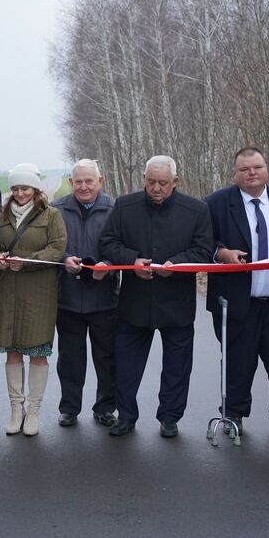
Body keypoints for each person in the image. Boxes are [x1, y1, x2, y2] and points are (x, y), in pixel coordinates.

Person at [98, 155, 214, 438]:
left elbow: (203, 249)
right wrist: (132, 260)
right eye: (151, 182)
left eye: (163, 183)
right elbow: (108, 242)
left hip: (177, 302)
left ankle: (170, 417)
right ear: (144, 180)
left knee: (177, 365)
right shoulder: (126, 206)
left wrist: (175, 265)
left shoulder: (196, 209)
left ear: (175, 182)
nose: (156, 188)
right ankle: (126, 416)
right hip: (135, 301)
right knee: (126, 364)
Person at [205, 147, 269, 439]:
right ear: (235, 173)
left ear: (266, 169)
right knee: (238, 361)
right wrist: (221, 253)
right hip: (236, 301)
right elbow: (201, 242)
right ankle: (233, 415)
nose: (252, 173)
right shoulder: (216, 203)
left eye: (257, 167)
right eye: (245, 169)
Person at [0, 163, 67, 437]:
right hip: (8, 290)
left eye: (25, 188)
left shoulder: (51, 214)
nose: (20, 193)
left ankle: (33, 411)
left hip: (39, 292)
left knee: (37, 352)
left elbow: (57, 247)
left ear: (35, 189)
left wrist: (27, 262)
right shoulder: (2, 214)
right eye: (15, 188)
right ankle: (15, 409)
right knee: (12, 350)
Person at [52, 158, 118, 428]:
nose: (83, 186)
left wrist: (110, 266)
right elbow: (51, 245)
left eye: (89, 181)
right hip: (67, 298)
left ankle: (105, 407)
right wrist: (65, 258)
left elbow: (122, 246)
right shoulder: (56, 210)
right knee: (70, 358)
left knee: (107, 358)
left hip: (104, 299)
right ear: (71, 183)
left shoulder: (115, 209)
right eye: (78, 181)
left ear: (100, 181)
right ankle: (69, 407)